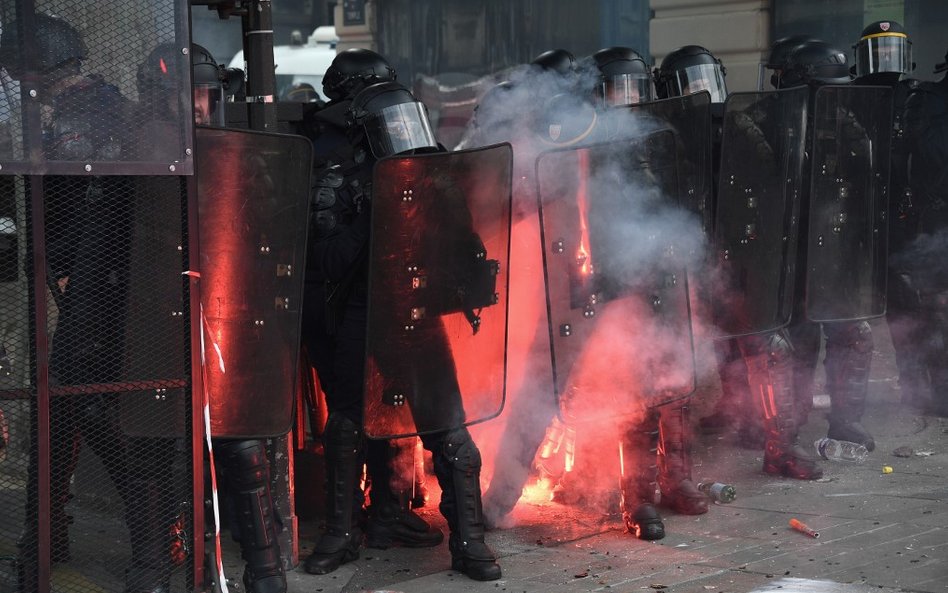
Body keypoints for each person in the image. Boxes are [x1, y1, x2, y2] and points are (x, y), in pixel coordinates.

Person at [300, 51, 500, 581]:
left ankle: (470, 541)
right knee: (347, 423)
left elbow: (461, 244)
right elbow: (326, 260)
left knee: (447, 427)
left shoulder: (427, 170)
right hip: (360, 312)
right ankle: (342, 533)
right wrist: (374, 215)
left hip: (415, 310)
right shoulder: (335, 175)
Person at [0, 13, 139, 591]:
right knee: (63, 408)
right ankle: (45, 537)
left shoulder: (84, 116)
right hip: (85, 280)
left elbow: (81, 209)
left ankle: (159, 526)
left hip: (101, 286)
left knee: (81, 407)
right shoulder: (81, 110)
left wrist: (48, 252)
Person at [653, 45, 769, 450]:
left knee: (748, 330)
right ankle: (735, 406)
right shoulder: (669, 132)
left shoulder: (738, 123)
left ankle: (756, 418)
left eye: (705, 82)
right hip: (694, 244)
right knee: (719, 330)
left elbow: (765, 170)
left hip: (735, 243)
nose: (701, 93)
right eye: (692, 85)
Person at [780, 40, 879, 456]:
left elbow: (865, 177)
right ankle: (784, 428)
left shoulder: (844, 122)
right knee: (796, 343)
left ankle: (846, 421)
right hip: (792, 253)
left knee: (853, 334)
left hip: (834, 249)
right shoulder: (770, 122)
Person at [850, 21, 926, 411]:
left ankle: (915, 384)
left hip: (898, 216)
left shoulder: (915, 99)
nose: (885, 62)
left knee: (906, 304)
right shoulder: (846, 98)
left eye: (890, 51)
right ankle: (849, 400)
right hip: (855, 215)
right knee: (845, 314)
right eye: (876, 52)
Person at [897, 49, 948, 416]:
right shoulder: (929, 100)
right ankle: (929, 390)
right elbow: (932, 154)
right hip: (936, 222)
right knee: (933, 310)